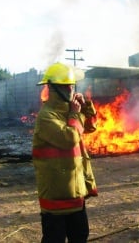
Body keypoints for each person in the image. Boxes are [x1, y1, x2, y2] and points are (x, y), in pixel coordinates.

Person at [32, 62, 98, 243]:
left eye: (72, 85)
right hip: (56, 197)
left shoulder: (70, 111)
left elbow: (91, 127)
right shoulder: (47, 116)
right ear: (54, 88)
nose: (71, 88)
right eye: (66, 85)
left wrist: (85, 107)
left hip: (75, 192)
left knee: (80, 236)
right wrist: (75, 114)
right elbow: (69, 139)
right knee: (55, 240)